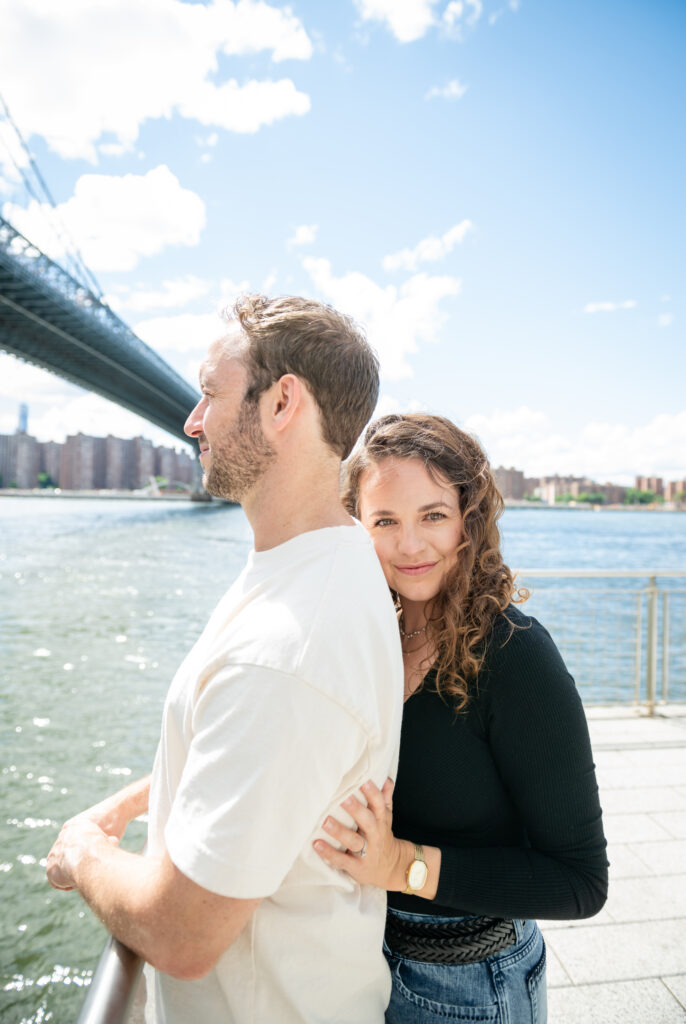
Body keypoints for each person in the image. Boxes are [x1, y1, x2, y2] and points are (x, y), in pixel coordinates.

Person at [46, 295, 404, 1024]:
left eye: (210, 393)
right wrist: (124, 806)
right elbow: (242, 748)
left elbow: (183, 934)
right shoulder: (321, 567)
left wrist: (83, 852)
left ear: (282, 403)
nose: (190, 420)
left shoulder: (288, 647)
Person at [314, 413, 608, 1023]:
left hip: (474, 988)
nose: (410, 545)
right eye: (385, 521)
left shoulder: (515, 654)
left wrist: (400, 864)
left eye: (433, 516)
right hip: (363, 965)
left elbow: (580, 881)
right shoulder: (372, 635)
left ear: (470, 521)